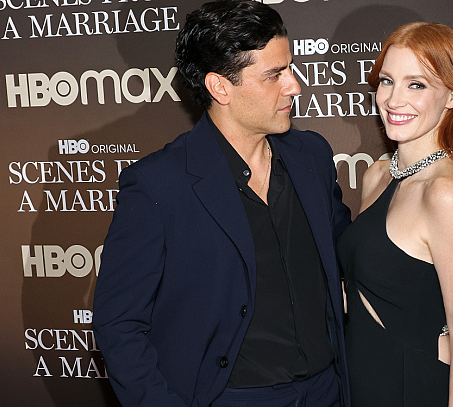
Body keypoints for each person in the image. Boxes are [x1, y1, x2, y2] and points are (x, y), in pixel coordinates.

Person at [92, 1, 351, 406]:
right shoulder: (159, 185)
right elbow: (118, 323)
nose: (294, 86)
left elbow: (349, 259)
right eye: (274, 75)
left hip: (327, 391)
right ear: (220, 87)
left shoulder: (311, 156)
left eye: (290, 68)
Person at [337, 22, 453, 407]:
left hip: (409, 384)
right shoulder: (377, 175)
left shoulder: (444, 192)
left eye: (416, 85)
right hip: (358, 378)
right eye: (387, 81)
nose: (394, 100)